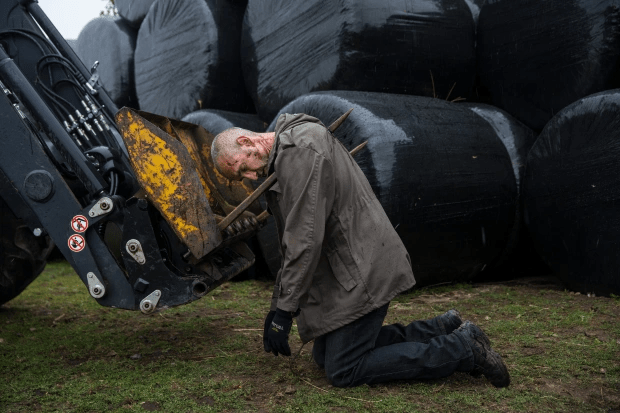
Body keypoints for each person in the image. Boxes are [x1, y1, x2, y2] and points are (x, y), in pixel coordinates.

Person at [211, 113, 510, 388]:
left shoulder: (299, 153)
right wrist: (277, 305)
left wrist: (285, 312)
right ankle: (443, 327)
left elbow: (304, 239)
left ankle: (463, 350)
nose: (251, 177)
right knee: (324, 357)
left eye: (242, 168)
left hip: (362, 267)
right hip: (356, 260)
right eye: (242, 178)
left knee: (343, 369)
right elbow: (294, 239)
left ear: (246, 141)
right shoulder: (296, 145)